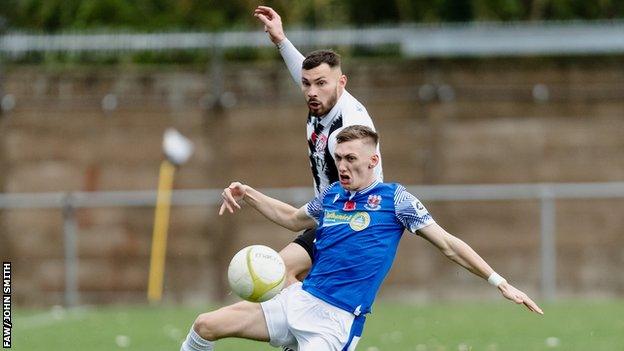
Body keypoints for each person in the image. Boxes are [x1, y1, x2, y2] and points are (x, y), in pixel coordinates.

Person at [180, 125, 543, 351]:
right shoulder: (333, 195)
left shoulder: (396, 199)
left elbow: (449, 244)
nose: (342, 165)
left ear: (373, 160)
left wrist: (500, 282)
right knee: (205, 325)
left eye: (351, 157)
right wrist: (249, 193)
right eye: (338, 157)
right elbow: (292, 218)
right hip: (297, 302)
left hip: (334, 322)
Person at [253, 5, 383, 286]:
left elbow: (369, 182)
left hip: (351, 226)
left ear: (342, 83)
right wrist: (281, 40)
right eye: (306, 84)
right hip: (328, 219)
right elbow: (310, 75)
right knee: (283, 283)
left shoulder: (350, 129)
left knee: (277, 277)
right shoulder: (322, 98)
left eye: (321, 84)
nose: (312, 91)